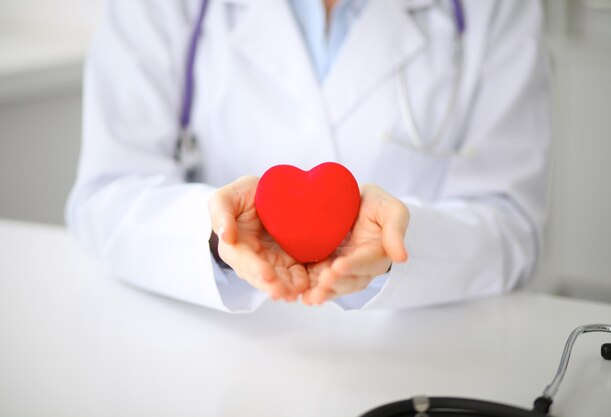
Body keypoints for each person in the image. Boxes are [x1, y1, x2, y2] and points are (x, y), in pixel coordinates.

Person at [66, 0, 551, 312]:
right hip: (216, 356)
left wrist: (398, 250)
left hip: (413, 359)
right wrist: (219, 237)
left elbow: (513, 225)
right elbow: (107, 194)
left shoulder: (495, 10)